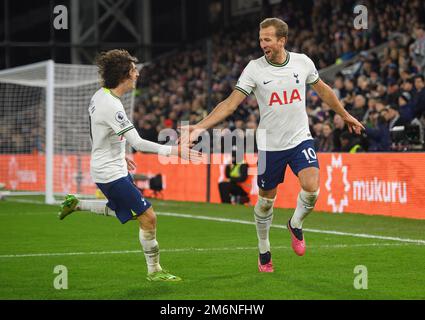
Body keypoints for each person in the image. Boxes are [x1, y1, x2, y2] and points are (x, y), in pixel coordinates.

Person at [185, 18, 364, 273]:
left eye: (267, 39)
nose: (263, 44)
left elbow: (323, 90)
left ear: (282, 40)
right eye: (261, 39)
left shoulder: (302, 62)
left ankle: (296, 223)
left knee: (312, 187)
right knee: (266, 202)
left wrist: (345, 115)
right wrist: (200, 126)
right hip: (270, 146)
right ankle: (264, 249)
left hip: (300, 138)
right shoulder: (254, 69)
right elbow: (230, 103)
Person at [58, 49, 202, 282]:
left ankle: (77, 204)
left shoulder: (101, 96)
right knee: (148, 217)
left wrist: (119, 152)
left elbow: (100, 132)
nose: (137, 75)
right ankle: (154, 271)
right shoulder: (111, 105)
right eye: (134, 71)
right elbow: (138, 142)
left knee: (122, 210)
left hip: (113, 166)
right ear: (124, 75)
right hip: (109, 172)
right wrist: (176, 151)